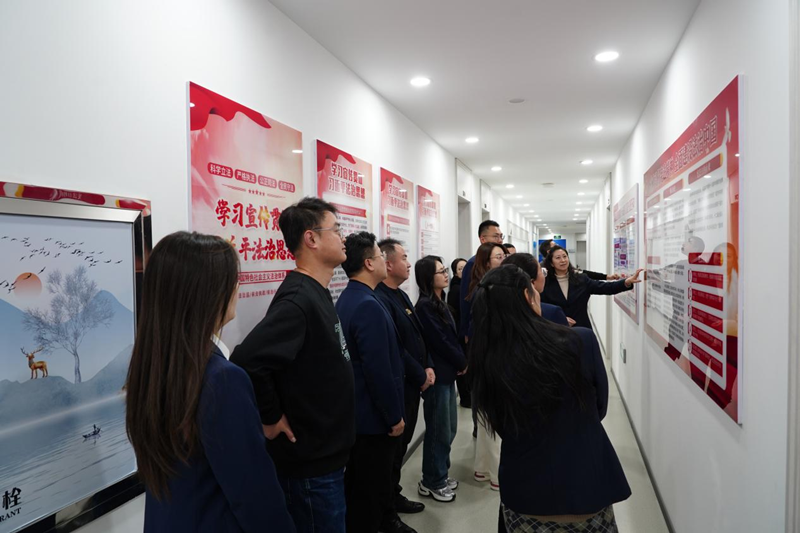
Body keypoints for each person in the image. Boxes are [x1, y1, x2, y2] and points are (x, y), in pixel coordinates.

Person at [126, 231, 295, 533]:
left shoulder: (153, 367)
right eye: (231, 279)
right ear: (207, 292)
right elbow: (255, 496)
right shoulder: (222, 380)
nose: (237, 287)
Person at [470, 265, 631, 533]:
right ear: (527, 296)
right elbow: (599, 408)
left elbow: (499, 423)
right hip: (584, 480)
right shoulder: (580, 341)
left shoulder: (487, 356)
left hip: (523, 487)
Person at [231, 197, 354, 533]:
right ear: (311, 239)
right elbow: (247, 360)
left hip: (326, 457)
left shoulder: (316, 290)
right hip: (310, 468)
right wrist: (270, 417)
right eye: (336, 230)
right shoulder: (299, 299)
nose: (343, 237)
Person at [336, 231, 408, 533]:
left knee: (360, 488)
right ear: (368, 263)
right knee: (369, 494)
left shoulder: (351, 297)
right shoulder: (366, 305)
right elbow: (378, 370)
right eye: (380, 256)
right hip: (373, 420)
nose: (384, 261)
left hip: (360, 417)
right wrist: (393, 416)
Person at [375, 238, 433, 525]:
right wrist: (420, 374)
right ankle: (387, 513)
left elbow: (417, 336)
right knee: (391, 454)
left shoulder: (400, 294)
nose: (409, 263)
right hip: (403, 385)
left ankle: (393, 496)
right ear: (388, 264)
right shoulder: (380, 299)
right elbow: (396, 348)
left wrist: (427, 365)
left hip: (412, 384)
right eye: (404, 258)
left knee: (400, 449)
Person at [415, 256, 467, 503]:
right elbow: (441, 340)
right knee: (439, 430)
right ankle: (432, 481)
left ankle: (440, 474)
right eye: (440, 271)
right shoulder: (425, 306)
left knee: (449, 428)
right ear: (428, 277)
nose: (446, 274)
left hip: (447, 373)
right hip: (437, 375)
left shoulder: (439, 302)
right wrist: (462, 361)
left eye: (445, 270)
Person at [465, 241, 507, 490]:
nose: (504, 260)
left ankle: (482, 468)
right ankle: (497, 474)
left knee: (485, 417)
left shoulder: (482, 287)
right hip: (491, 358)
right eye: (499, 256)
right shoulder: (489, 290)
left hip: (484, 357)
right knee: (493, 417)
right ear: (486, 262)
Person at [542, 245, 642, 330]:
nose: (563, 260)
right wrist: (559, 319)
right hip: (555, 330)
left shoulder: (581, 279)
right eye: (558, 258)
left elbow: (605, 287)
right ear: (551, 263)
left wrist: (626, 282)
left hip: (582, 329)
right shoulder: (545, 283)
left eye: (565, 256)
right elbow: (541, 307)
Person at [459, 220, 504, 340]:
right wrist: (466, 330)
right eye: (496, 236)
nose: (500, 240)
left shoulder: (501, 262)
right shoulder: (473, 263)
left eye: (501, 236)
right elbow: (466, 298)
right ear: (483, 239)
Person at [502, 253, 569, 326]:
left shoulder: (498, 311)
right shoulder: (551, 313)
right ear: (532, 282)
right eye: (541, 271)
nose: (563, 260)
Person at [446, 257, 469, 408]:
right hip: (461, 334)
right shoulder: (456, 290)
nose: (464, 271)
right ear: (455, 272)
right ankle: (466, 398)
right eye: (460, 269)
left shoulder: (465, 287)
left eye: (466, 268)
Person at [538, 239, 619, 281]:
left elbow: (582, 273)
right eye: (555, 245)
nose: (563, 260)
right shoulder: (542, 269)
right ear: (549, 252)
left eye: (565, 257)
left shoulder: (568, 269)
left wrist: (606, 277)